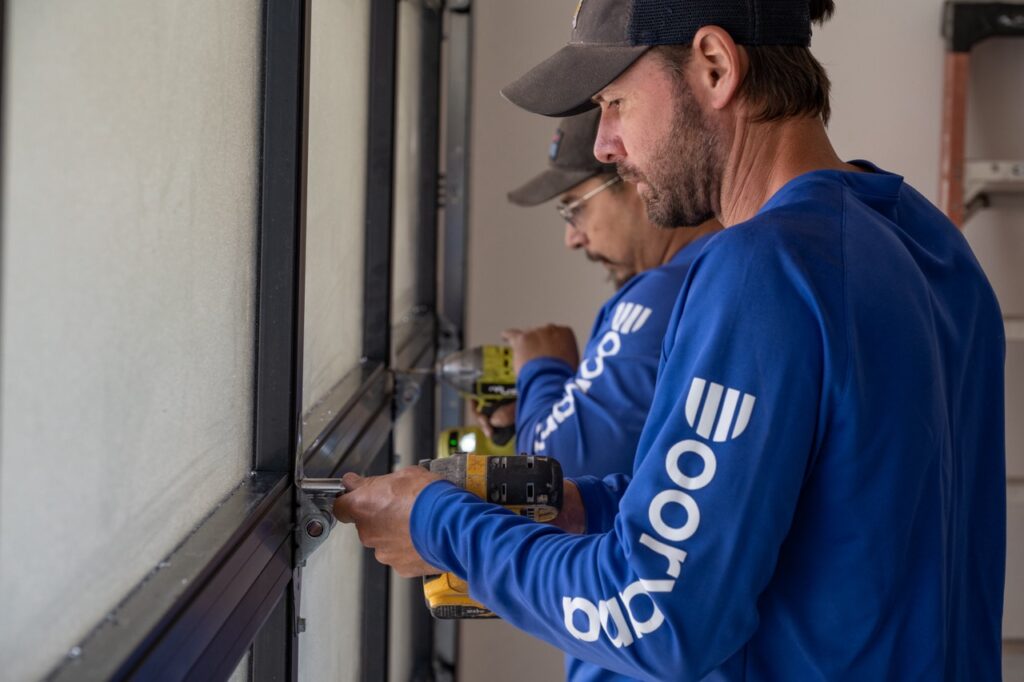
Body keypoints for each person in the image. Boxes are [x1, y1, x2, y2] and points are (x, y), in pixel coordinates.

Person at [336, 1, 1006, 679]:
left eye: (615, 102)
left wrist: (438, 527)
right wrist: (583, 506)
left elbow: (649, 616)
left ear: (715, 67)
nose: (602, 144)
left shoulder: (764, 269)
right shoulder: (927, 241)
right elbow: (814, 504)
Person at [484, 108, 719, 485]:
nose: (572, 239)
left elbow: (547, 477)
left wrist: (544, 367)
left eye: (574, 209)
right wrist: (540, 406)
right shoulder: (714, 266)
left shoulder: (661, 293)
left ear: (635, 178)